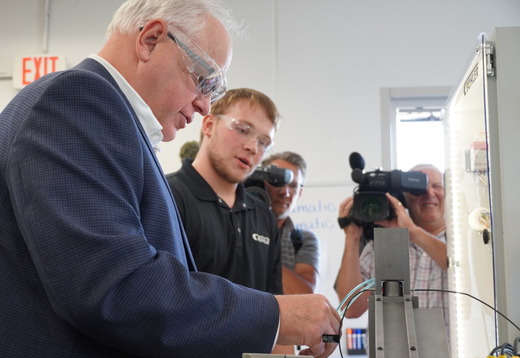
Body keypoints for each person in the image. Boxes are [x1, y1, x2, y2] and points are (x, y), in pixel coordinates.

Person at [0, 1, 340, 358]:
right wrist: (273, 315)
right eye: (204, 79)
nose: (205, 106)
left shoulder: (110, 120)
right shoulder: (77, 101)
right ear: (151, 39)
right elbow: (115, 286)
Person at [167, 88, 282, 294]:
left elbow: (274, 302)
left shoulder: (263, 216)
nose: (253, 147)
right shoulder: (168, 198)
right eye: (243, 130)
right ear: (209, 125)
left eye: (264, 142)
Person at [334, 164, 448, 329]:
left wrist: (414, 234)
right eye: (418, 189)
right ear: (404, 199)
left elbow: (461, 269)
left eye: (437, 186)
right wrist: (352, 237)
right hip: (393, 353)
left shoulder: (463, 243)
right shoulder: (383, 245)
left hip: (454, 353)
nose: (429, 194)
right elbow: (351, 309)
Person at [261, 151, 320, 295]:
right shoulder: (234, 225)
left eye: (293, 186)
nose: (285, 192)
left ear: (300, 193)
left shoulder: (302, 240)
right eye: (278, 182)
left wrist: (257, 247)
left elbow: (304, 294)